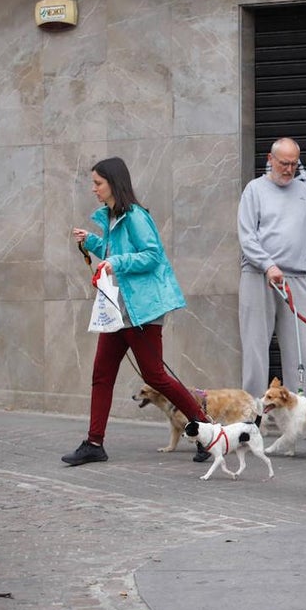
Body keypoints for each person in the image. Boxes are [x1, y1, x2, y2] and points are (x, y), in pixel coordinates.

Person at [62, 157, 213, 466]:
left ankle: (206, 429)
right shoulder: (113, 217)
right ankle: (94, 443)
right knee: (102, 375)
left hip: (141, 312)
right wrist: (91, 241)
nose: (93, 189)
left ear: (113, 183)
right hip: (118, 311)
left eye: (98, 183)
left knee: (155, 376)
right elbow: (114, 252)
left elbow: (152, 255)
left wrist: (115, 262)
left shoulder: (135, 216)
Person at [238, 138, 306, 399]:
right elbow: (246, 236)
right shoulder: (254, 190)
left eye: (294, 164)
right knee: (255, 348)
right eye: (284, 163)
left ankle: (299, 411)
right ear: (270, 159)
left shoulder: (305, 192)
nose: (288, 169)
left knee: (300, 351)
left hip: (298, 278)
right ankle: (253, 412)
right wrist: (268, 265)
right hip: (258, 276)